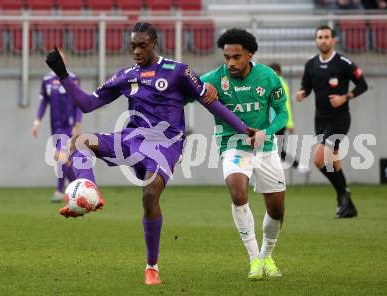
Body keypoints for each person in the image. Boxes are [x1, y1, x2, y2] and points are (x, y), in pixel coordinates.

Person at [45, 22, 252, 285]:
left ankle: (151, 267)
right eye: (133, 45)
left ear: (154, 43)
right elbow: (87, 105)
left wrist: (244, 130)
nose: (137, 51)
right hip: (132, 139)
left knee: (150, 194)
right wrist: (63, 74)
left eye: (142, 45)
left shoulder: (178, 71)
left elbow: (212, 104)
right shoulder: (125, 75)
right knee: (78, 141)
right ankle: (89, 193)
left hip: (165, 144)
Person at [201, 28, 288, 280]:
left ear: (249, 54)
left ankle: (266, 256)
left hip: (265, 148)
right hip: (233, 145)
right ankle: (253, 260)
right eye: (227, 57)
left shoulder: (268, 77)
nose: (230, 63)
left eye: (236, 57)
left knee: (277, 210)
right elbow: (186, 89)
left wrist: (267, 131)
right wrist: (202, 88)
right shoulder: (215, 78)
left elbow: (282, 112)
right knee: (238, 193)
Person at [295, 25, 368, 218]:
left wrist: (345, 97)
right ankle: (347, 205)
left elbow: (363, 85)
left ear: (333, 40)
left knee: (319, 159)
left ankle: (344, 193)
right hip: (320, 119)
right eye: (320, 37)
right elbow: (307, 86)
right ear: (316, 40)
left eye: (327, 37)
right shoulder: (311, 64)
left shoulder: (343, 63)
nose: (323, 40)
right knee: (333, 162)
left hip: (339, 118)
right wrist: (303, 92)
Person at [31, 58, 82, 203]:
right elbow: (43, 102)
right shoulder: (47, 80)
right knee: (64, 160)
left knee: (61, 156)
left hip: (69, 126)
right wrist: (36, 123)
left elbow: (79, 103)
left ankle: (60, 191)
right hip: (55, 127)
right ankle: (77, 187)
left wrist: (77, 124)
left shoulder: (72, 79)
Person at [268, 63, 309, 174]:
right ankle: (299, 166)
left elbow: (285, 105)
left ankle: (299, 166)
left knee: (273, 150)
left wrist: (289, 123)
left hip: (276, 122)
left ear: (278, 72)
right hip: (273, 122)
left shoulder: (278, 83)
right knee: (273, 150)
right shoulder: (274, 83)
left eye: (272, 71)